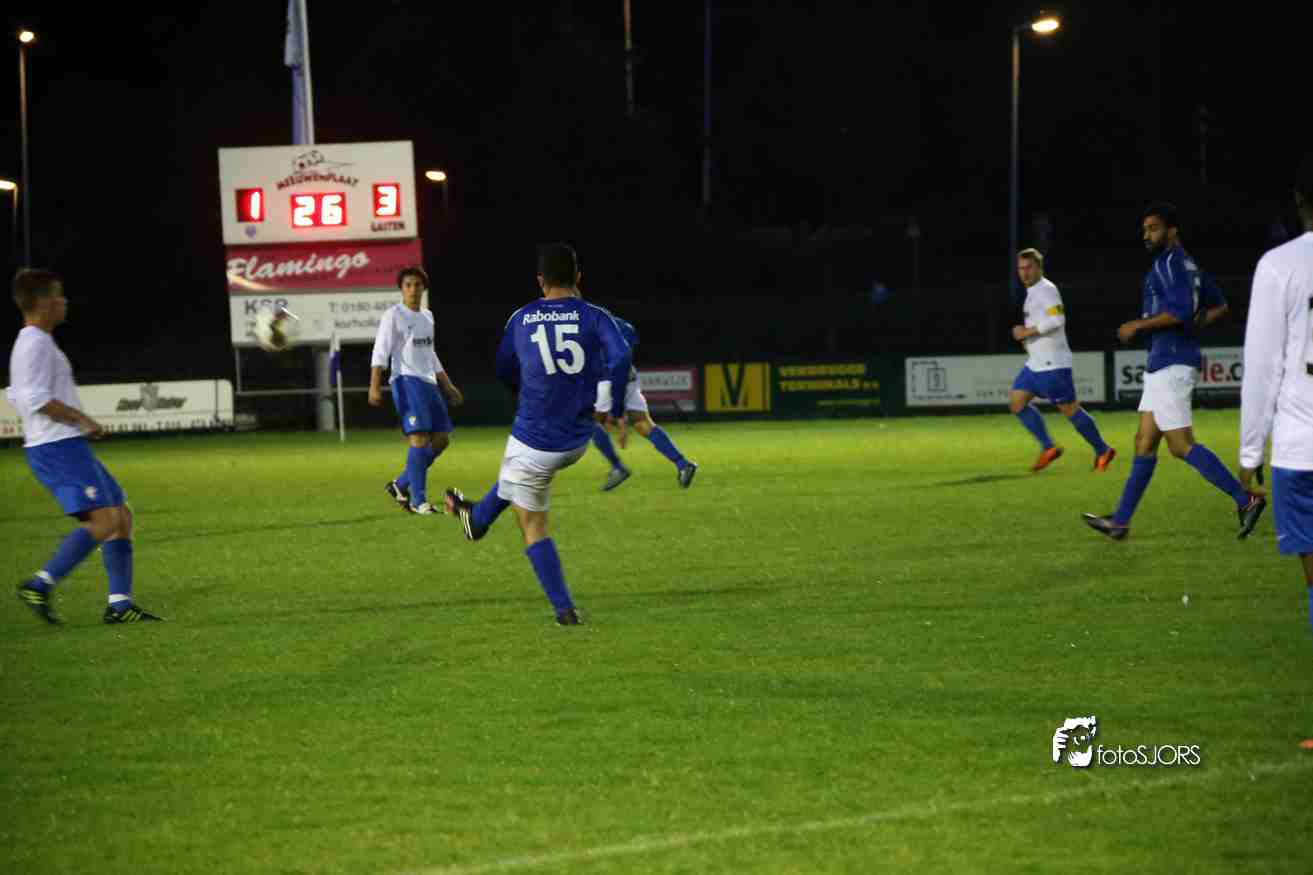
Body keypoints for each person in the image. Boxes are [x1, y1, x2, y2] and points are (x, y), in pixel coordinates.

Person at [443, 243, 631, 625]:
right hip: (578, 440)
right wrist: (611, 405)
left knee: (532, 522)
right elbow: (622, 355)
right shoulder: (595, 315)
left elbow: (503, 368)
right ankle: (473, 519)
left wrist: (529, 389)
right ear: (579, 277)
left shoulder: (522, 317)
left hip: (536, 440)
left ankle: (565, 610)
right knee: (514, 478)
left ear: (540, 281)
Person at [1083, 203, 1265, 540]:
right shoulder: (1189, 264)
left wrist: (1138, 325)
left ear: (1172, 230)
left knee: (1181, 445)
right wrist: (1194, 325)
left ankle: (1246, 498)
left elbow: (1180, 311)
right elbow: (1220, 305)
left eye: (1153, 228)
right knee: (1144, 442)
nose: (1147, 235)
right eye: (1145, 229)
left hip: (1172, 361)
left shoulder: (1169, 263)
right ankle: (1120, 522)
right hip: (1164, 362)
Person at [8, 268, 161, 625]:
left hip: (65, 444)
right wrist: (82, 419)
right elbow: (33, 398)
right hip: (55, 446)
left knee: (120, 514)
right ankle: (39, 585)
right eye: (58, 295)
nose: (64, 301)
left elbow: (17, 393)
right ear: (43, 302)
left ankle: (119, 604)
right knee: (105, 520)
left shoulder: (38, 342)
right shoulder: (34, 343)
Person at [1238, 153, 1313, 642]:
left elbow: (1263, 368)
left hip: (1301, 448)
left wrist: (1250, 452)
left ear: (1299, 200)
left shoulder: (1278, 265)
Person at [1008, 248, 1116, 473]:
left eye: (1029, 267)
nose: (1024, 272)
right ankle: (1048, 448)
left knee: (1070, 410)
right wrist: (1027, 339)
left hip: (1053, 365)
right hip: (1035, 364)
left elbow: (1057, 320)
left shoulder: (1046, 289)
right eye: (1021, 268)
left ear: (1039, 268)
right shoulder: (1032, 293)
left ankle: (1103, 449)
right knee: (1017, 402)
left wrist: (1027, 332)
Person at [368, 266, 463, 515]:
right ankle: (418, 501)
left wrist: (447, 384)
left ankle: (400, 484)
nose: (412, 289)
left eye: (417, 285)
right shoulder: (393, 315)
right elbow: (380, 350)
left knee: (441, 440)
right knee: (419, 438)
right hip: (406, 381)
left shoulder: (427, 316)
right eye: (408, 285)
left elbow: (430, 354)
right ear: (401, 289)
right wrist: (374, 385)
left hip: (428, 383)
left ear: (424, 288)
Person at [589, 314, 698, 491]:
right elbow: (625, 353)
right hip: (629, 376)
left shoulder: (585, 324)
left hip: (609, 379)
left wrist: (619, 417)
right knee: (642, 423)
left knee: (590, 423)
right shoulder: (622, 325)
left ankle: (618, 467)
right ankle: (683, 464)